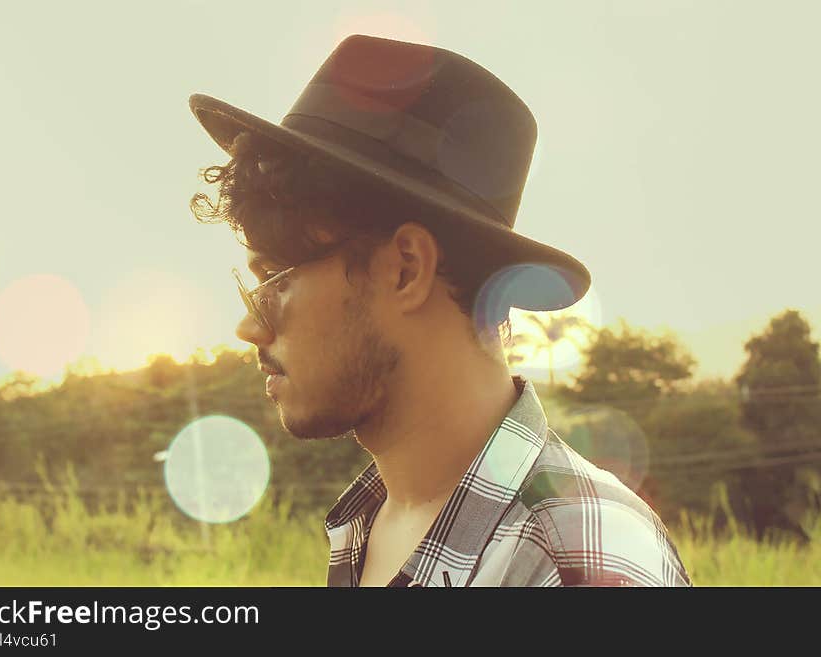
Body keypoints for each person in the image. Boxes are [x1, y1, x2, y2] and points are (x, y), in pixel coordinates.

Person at [188, 35, 691, 587]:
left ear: (405, 268)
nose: (248, 325)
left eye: (273, 281)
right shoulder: (374, 523)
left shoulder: (574, 567)